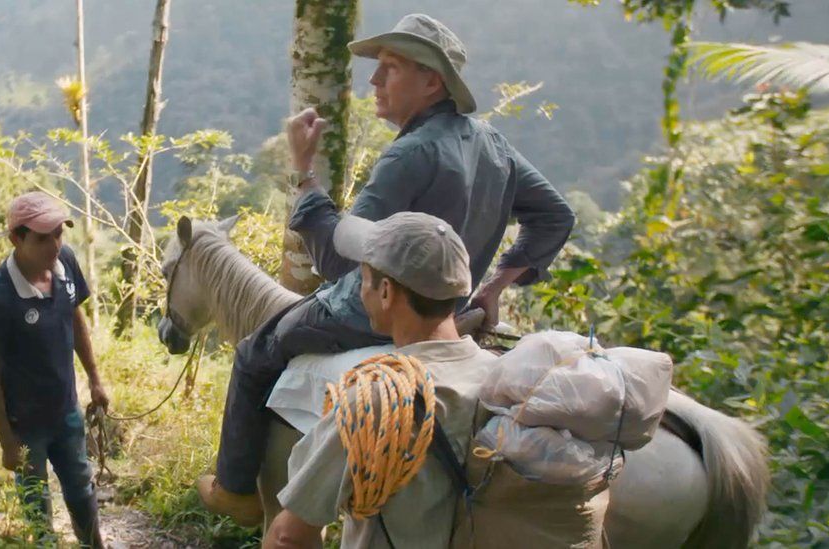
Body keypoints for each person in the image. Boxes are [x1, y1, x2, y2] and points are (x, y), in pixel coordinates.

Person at [198, 13, 575, 523]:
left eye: (390, 68)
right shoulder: (493, 143)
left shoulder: (411, 154)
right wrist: (494, 288)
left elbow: (337, 263)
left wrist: (305, 173)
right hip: (449, 309)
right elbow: (556, 216)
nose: (373, 80)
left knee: (253, 352)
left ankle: (235, 490)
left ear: (431, 81)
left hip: (363, 309)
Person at [263, 211, 497, 548]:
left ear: (385, 291)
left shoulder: (377, 399)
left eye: (362, 278)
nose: (359, 291)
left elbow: (288, 536)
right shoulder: (499, 377)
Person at [0, 191, 108, 548]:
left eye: (58, 234)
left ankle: (94, 545)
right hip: (25, 424)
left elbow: (75, 317)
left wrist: (95, 379)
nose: (54, 245)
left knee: (81, 489)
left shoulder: (65, 261)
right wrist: (6, 441)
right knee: (37, 503)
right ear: (16, 238)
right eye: (42, 237)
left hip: (66, 411)